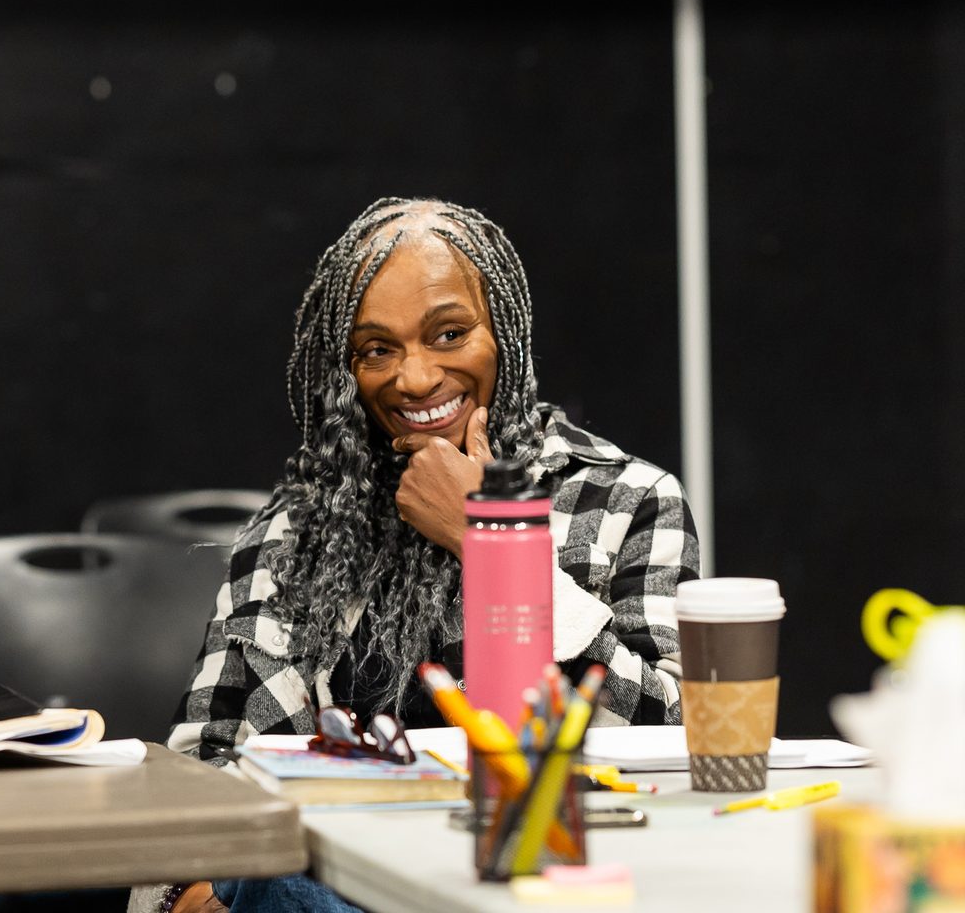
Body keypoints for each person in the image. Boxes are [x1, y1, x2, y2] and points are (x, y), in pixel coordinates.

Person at [143, 198, 700, 913]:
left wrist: (489, 539)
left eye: (449, 333)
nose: (413, 378)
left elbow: (671, 744)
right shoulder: (295, 530)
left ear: (507, 336)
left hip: (550, 878)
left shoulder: (626, 500)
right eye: (376, 349)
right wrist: (185, 896)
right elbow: (208, 761)